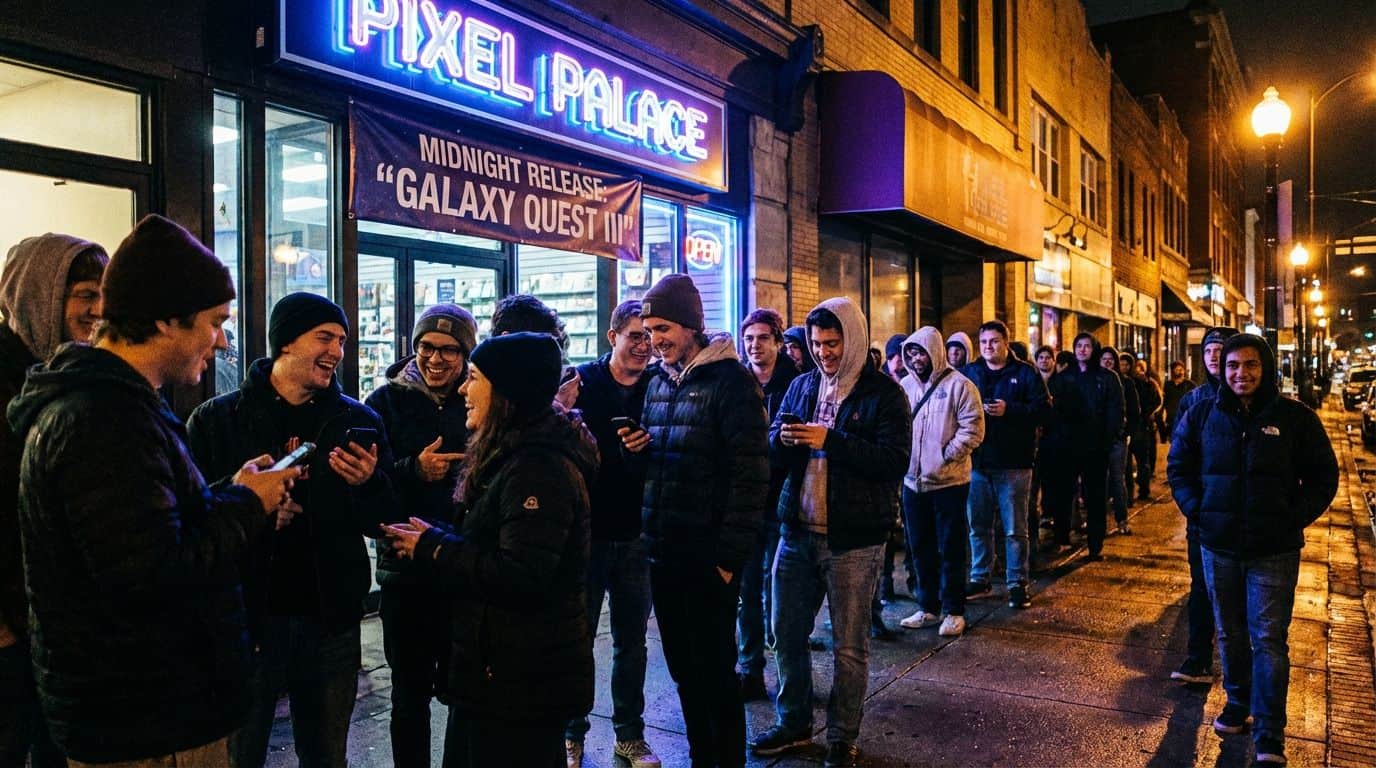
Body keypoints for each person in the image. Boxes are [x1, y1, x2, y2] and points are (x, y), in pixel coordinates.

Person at [8, 214, 299, 766]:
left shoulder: (116, 405)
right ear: (167, 320)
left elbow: (148, 529)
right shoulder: (103, 419)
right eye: (214, 322)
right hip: (145, 726)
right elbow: (153, 574)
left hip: (150, 713)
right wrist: (248, 503)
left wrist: (231, 490)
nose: (221, 340)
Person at [187, 292, 396, 768]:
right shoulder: (217, 420)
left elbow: (383, 521)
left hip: (330, 621)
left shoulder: (358, 421)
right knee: (239, 754)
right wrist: (249, 509)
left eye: (341, 341)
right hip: (247, 620)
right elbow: (191, 514)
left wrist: (369, 483)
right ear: (285, 342)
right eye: (324, 337)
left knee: (326, 755)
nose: (336, 351)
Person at [383, 332, 597, 767]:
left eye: (475, 378)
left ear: (506, 392)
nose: (464, 389)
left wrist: (435, 549)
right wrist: (434, 536)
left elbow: (522, 573)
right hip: (496, 672)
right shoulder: (511, 453)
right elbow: (495, 541)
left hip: (520, 679)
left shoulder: (536, 468)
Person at [751, 298, 910, 768]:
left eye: (832, 343)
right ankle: (794, 722)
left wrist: (830, 440)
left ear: (853, 339)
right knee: (785, 633)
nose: (823, 352)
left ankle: (842, 737)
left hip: (854, 540)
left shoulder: (884, 393)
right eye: (817, 343)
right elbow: (772, 447)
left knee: (849, 646)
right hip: (796, 531)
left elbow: (893, 461)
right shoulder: (801, 385)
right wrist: (782, 440)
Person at [1167, 334, 1337, 767]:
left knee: (1268, 639)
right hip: (1218, 545)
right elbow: (1179, 466)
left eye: (1251, 365)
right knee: (1229, 631)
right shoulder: (1202, 413)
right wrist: (1198, 512)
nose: (1241, 373)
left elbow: (1323, 476)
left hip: (1273, 550)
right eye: (1233, 365)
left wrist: (1292, 518)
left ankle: (1269, 731)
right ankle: (1237, 702)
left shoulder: (1294, 417)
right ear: (1221, 370)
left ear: (1265, 368)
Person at [623, 274, 768, 768]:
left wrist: (728, 560)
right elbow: (657, 467)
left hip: (708, 561)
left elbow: (752, 476)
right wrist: (635, 452)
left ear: (690, 325)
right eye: (648, 331)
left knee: (715, 675)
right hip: (663, 554)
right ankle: (703, 757)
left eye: (662, 329)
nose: (654, 340)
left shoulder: (732, 382)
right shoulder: (658, 382)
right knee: (684, 672)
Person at [0, 233, 107, 767]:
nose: (98, 310)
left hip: (56, 621)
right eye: (85, 294)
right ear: (37, 295)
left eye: (104, 295)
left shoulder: (66, 376)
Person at [364, 303, 477, 768]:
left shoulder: (479, 399)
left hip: (462, 570)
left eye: (449, 350)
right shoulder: (382, 403)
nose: (435, 358)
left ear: (465, 355)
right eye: (426, 347)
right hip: (404, 574)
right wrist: (414, 469)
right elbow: (368, 487)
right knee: (408, 696)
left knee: (464, 694)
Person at [562, 300, 662, 768]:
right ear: (612, 337)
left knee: (632, 641)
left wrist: (645, 452)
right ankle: (571, 732)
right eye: (635, 336)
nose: (644, 346)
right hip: (588, 534)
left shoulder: (659, 386)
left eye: (650, 338)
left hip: (637, 533)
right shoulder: (582, 383)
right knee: (577, 638)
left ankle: (630, 735)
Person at [894, 327, 983, 637]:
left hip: (949, 482)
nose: (916, 358)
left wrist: (947, 455)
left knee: (951, 548)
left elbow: (973, 428)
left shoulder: (961, 386)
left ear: (934, 351)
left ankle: (954, 610)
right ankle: (928, 607)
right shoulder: (905, 386)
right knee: (920, 548)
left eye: (920, 352)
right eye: (911, 353)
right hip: (912, 482)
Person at [961, 321, 1050, 608]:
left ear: (1006, 343)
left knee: (1015, 528)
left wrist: (1009, 409)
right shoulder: (971, 372)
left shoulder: (1025, 373)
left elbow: (1044, 410)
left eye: (994, 341)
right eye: (984, 342)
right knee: (978, 525)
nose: (988, 346)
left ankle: (1017, 582)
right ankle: (980, 577)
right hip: (978, 462)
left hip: (1015, 463)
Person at [1168, 326, 1237, 686]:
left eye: (1220, 349)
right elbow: (1179, 460)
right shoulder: (1194, 401)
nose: (1213, 356)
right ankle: (1198, 659)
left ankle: (1240, 672)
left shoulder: (1250, 397)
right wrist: (1193, 505)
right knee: (1202, 586)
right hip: (1205, 513)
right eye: (1208, 350)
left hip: (1245, 516)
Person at [736, 308, 799, 702]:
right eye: (748, 339)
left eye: (762, 338)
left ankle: (787, 672)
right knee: (747, 591)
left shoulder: (797, 384)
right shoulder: (737, 382)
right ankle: (750, 669)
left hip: (783, 500)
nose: (754, 345)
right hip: (746, 502)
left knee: (781, 592)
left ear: (778, 342)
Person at [1042, 333, 1123, 559]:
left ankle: (1095, 544)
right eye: (1079, 345)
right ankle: (1061, 537)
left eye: (1087, 346)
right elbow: (1053, 410)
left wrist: (1107, 440)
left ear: (1094, 349)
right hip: (1067, 447)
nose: (1082, 350)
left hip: (1096, 447)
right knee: (1063, 494)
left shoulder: (1107, 378)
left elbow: (1116, 411)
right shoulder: (1064, 377)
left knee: (1095, 497)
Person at [1100, 346, 1137, 534]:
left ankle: (1122, 519)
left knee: (1117, 478)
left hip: (1117, 439)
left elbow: (1134, 411)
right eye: (1104, 359)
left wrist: (1126, 433)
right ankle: (1100, 522)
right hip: (1098, 439)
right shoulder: (1095, 380)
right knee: (1099, 480)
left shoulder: (1126, 383)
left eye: (1111, 359)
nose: (1107, 362)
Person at [1127, 356, 1163, 499]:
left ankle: (1143, 489)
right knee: (1132, 463)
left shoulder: (1148, 383)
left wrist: (1147, 415)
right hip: (1133, 426)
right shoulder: (1127, 382)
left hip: (1142, 426)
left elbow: (1157, 401)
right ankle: (1134, 492)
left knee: (1142, 460)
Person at [1161, 360, 1196, 438]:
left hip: (1186, 418)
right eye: (1177, 369)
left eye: (1181, 369)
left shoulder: (1190, 385)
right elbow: (1164, 400)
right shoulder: (1168, 385)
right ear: (1173, 371)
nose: (1180, 372)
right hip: (1172, 419)